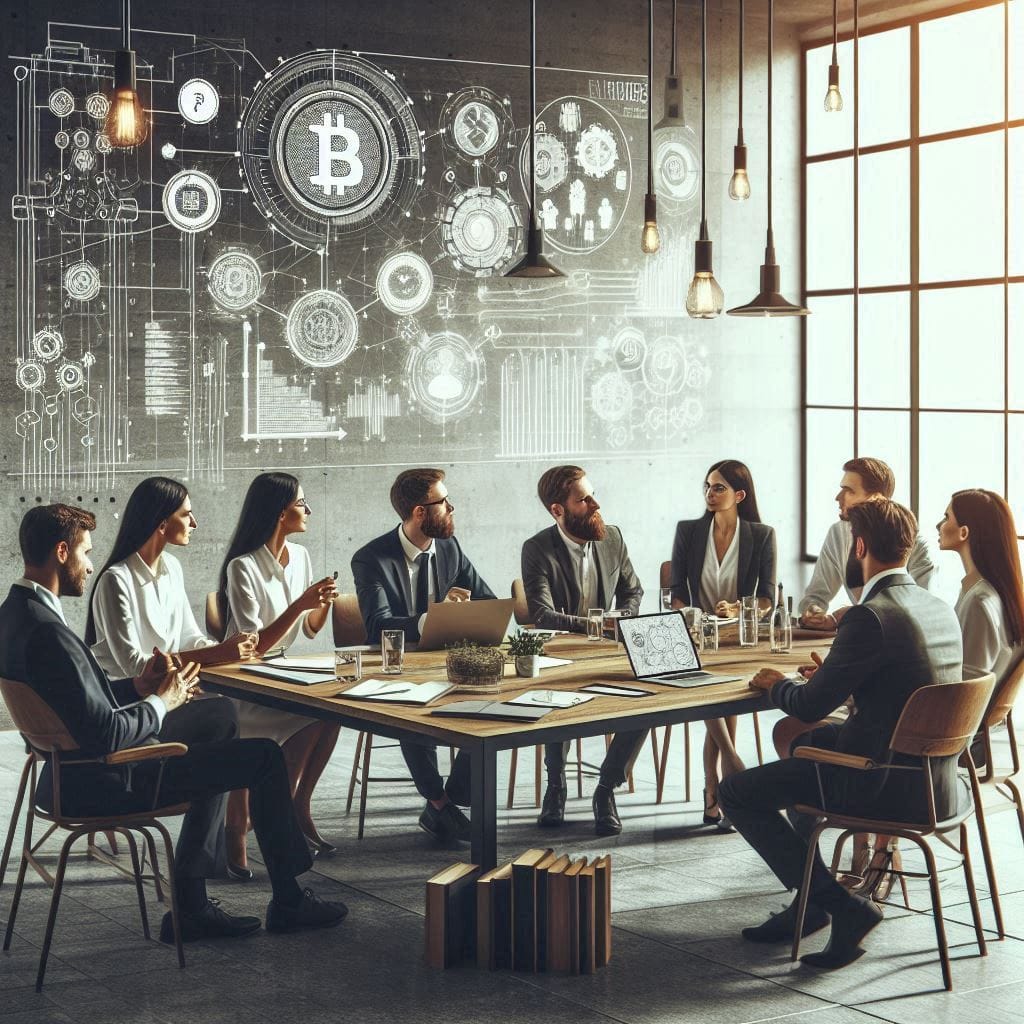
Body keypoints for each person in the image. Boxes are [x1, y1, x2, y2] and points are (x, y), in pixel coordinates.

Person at [0, 504, 348, 942]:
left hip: (65, 773)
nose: (90, 565)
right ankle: (286, 899)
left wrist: (137, 686)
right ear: (63, 551)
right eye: (86, 553)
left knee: (218, 716)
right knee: (263, 756)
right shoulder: (49, 632)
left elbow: (76, 703)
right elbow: (104, 732)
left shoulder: (16, 615)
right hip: (106, 780)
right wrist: (163, 701)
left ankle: (193, 903)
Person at [718, 499, 963, 971]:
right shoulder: (936, 607)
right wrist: (834, 675)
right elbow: (899, 686)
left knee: (737, 792)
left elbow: (809, 706)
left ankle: (840, 906)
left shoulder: (868, 615)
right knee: (805, 748)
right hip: (936, 781)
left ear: (861, 546)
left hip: (881, 781)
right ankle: (807, 904)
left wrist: (777, 685)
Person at [351, 468, 495, 843]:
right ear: (419, 512)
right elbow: (377, 626)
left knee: (492, 698)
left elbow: (488, 600)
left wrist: (472, 618)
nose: (451, 508)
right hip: (397, 666)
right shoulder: (371, 559)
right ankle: (437, 801)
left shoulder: (449, 548)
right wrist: (433, 617)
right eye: (443, 503)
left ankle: (452, 797)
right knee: (413, 706)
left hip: (446, 662)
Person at [219, 473, 341, 875]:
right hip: (247, 677)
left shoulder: (301, 556)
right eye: (301, 504)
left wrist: (322, 602)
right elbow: (255, 646)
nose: (307, 511)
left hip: (282, 669)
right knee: (308, 712)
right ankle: (248, 821)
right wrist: (300, 602)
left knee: (330, 711)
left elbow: (309, 629)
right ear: (279, 511)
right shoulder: (243, 567)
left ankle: (293, 806)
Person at [521, 465, 644, 836]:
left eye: (592, 494)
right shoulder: (537, 548)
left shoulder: (613, 538)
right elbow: (541, 614)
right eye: (584, 499)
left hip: (610, 652)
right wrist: (593, 625)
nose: (595, 503)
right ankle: (555, 785)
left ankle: (606, 789)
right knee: (555, 695)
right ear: (558, 510)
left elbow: (633, 591)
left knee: (649, 698)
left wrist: (621, 618)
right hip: (561, 655)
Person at [669, 459, 776, 830]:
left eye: (719, 488)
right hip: (695, 636)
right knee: (715, 692)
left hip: (737, 639)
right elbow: (676, 592)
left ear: (739, 495)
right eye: (707, 486)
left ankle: (714, 788)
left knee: (719, 694)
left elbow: (767, 599)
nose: (710, 494)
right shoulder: (689, 531)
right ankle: (728, 776)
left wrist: (738, 609)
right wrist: (693, 616)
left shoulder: (761, 535)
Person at [799, 457, 936, 628]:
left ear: (877, 498)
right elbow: (815, 596)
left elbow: (920, 610)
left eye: (849, 491)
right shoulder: (839, 533)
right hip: (860, 633)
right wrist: (813, 612)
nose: (838, 497)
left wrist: (848, 614)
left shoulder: (913, 542)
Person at [937, 489, 1024, 691]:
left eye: (946, 517)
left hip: (961, 719)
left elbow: (965, 690)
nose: (939, 526)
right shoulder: (993, 593)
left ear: (964, 532)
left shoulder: (979, 601)